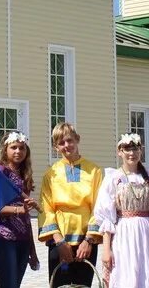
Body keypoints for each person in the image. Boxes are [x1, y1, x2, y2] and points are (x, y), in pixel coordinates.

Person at [95, 132, 149, 288]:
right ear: (120, 152)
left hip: (148, 235)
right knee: (127, 275)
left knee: (148, 274)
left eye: (135, 149)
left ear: (140, 151)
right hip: (124, 234)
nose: (132, 153)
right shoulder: (113, 178)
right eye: (127, 149)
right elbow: (106, 217)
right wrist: (106, 250)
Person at [38, 122, 103, 287]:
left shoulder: (94, 171)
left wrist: (88, 240)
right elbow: (46, 208)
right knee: (60, 285)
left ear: (77, 139)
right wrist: (59, 242)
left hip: (85, 240)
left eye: (69, 140)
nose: (67, 145)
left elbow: (99, 206)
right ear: (56, 147)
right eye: (61, 143)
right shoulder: (50, 174)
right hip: (59, 240)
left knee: (83, 285)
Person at [0, 131, 40, 288]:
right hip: (3, 238)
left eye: (22, 148)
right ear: (5, 150)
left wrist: (33, 250)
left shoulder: (25, 175)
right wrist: (18, 210)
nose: (18, 151)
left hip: (23, 239)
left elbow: (26, 217)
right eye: (14, 147)